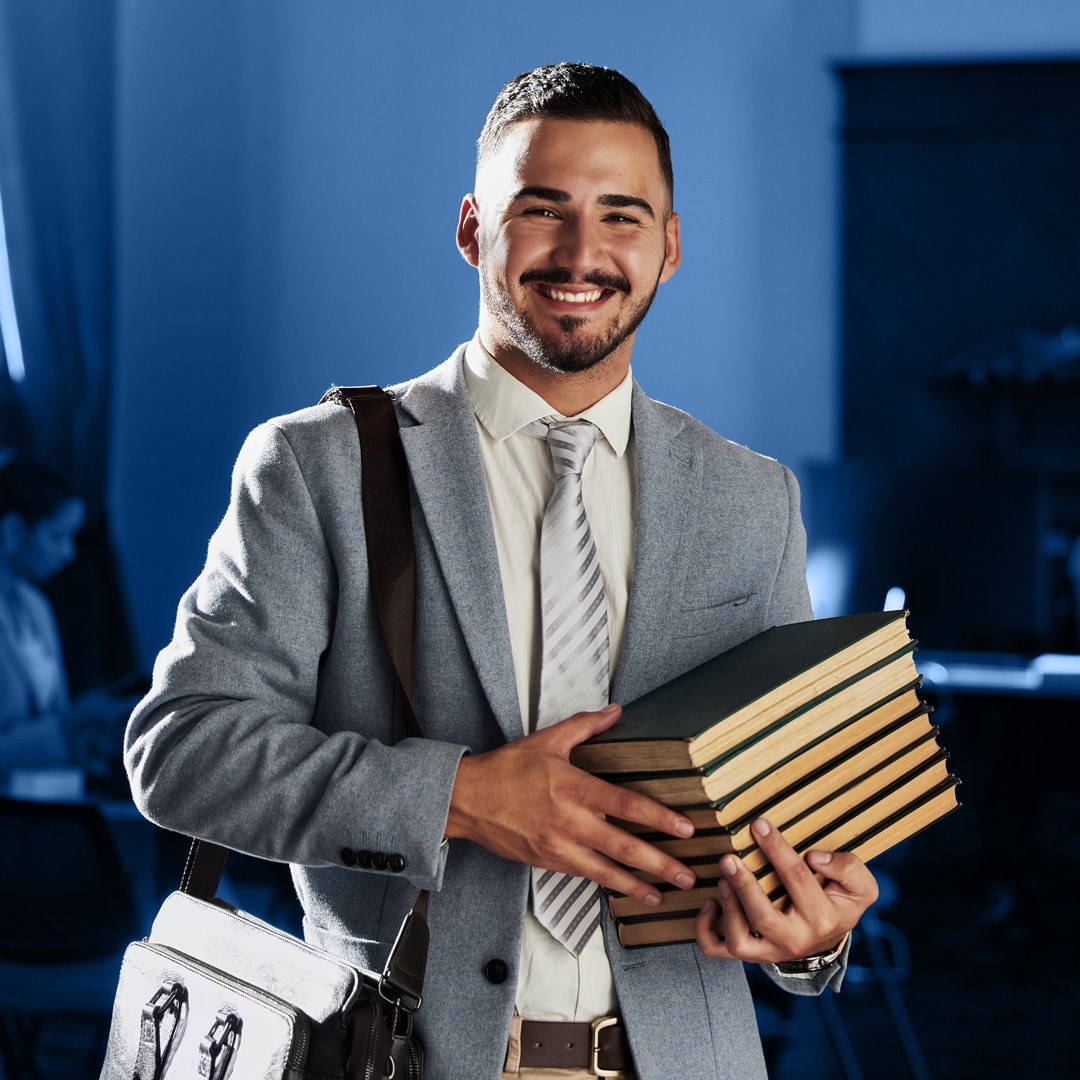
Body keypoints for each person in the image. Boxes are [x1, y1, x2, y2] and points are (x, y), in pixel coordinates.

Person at [126, 63, 879, 1079]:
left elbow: (789, 823)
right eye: (543, 210)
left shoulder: (755, 500)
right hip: (395, 1059)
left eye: (623, 216)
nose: (582, 253)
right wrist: (462, 798)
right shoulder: (318, 465)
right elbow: (182, 752)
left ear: (671, 246)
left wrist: (813, 936)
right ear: (474, 230)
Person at [0, 454, 132, 783]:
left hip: (41, 808)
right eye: (57, 536)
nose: (69, 553)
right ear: (13, 530)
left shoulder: (35, 606)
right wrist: (66, 726)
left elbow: (51, 717)